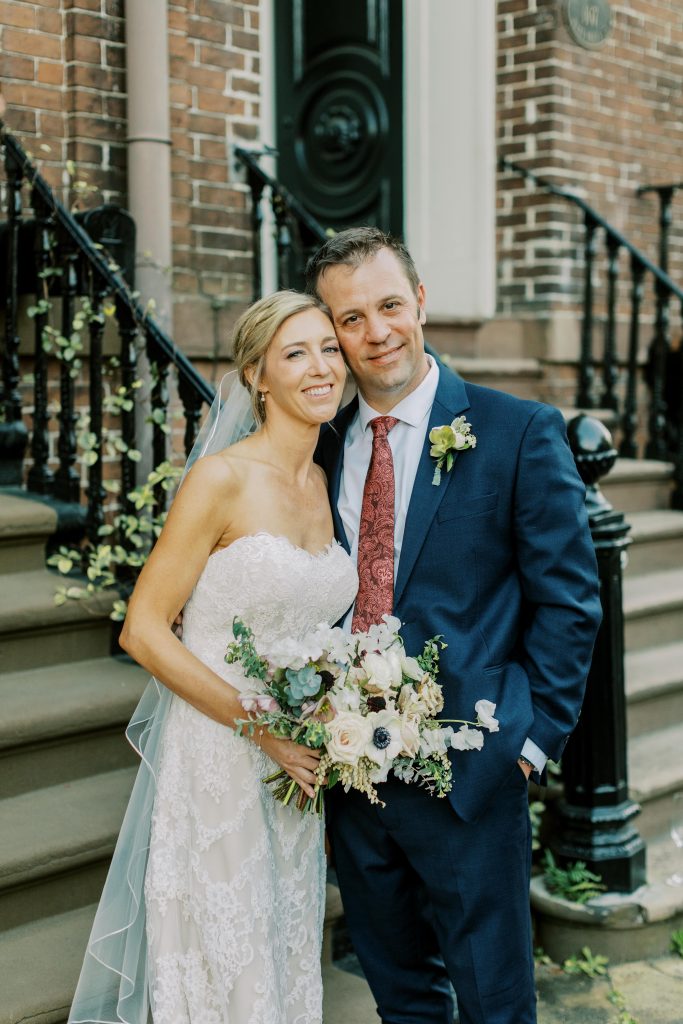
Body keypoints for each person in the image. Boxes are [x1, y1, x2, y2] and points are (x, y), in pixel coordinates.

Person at [308, 227, 602, 1024]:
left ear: (421, 301)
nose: (376, 332)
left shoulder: (516, 431)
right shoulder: (319, 449)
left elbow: (569, 602)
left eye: (389, 306)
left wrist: (530, 744)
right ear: (331, 332)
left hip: (473, 776)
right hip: (354, 780)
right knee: (400, 996)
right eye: (351, 318)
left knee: (495, 1002)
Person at [68, 291, 358, 1023]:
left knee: (284, 942)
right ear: (257, 377)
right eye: (296, 354)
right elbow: (143, 628)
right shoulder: (222, 479)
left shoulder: (324, 481)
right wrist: (261, 726)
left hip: (295, 761)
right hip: (223, 754)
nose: (321, 367)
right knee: (229, 961)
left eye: (328, 347)